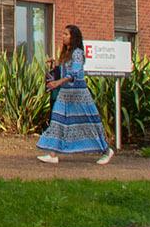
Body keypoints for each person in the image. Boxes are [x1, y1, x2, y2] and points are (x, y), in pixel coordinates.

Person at [37, 24, 113, 165]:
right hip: (66, 94)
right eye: (63, 34)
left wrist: (58, 83)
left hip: (79, 95)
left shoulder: (77, 53)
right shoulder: (67, 53)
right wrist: (55, 65)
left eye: (66, 34)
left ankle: (106, 150)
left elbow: (75, 73)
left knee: (89, 123)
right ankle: (53, 154)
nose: (63, 36)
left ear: (73, 37)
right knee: (57, 120)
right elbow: (65, 69)